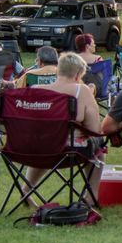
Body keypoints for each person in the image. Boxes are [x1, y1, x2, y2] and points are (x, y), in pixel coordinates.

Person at [29, 52, 104, 204]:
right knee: (99, 150)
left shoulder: (36, 89)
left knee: (47, 143)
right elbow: (94, 129)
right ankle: (91, 196)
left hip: (32, 148)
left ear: (58, 70)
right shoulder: (81, 91)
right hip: (69, 150)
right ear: (78, 75)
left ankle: (25, 190)